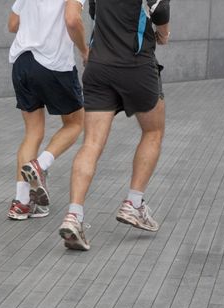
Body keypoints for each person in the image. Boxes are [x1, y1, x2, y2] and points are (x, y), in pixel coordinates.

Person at [59, 0, 171, 250]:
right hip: (136, 65)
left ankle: (74, 216)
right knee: (153, 131)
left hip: (99, 65)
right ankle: (133, 203)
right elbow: (160, 9)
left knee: (91, 143)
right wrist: (164, 34)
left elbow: (93, 13)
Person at [7, 0, 89, 220]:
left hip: (21, 62)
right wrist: (85, 50)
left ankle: (21, 203)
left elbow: (13, 24)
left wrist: (36, 23)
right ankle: (39, 165)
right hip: (54, 64)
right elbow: (73, 20)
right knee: (75, 123)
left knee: (32, 133)